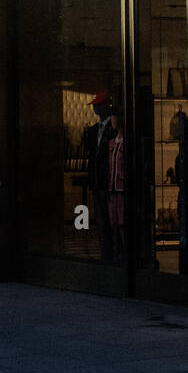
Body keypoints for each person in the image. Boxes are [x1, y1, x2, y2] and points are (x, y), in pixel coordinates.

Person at [82, 93, 116, 262]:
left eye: (99, 105)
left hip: (108, 182)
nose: (96, 108)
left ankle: (112, 255)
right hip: (98, 182)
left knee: (111, 221)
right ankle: (106, 255)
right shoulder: (94, 130)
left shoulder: (114, 128)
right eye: (95, 106)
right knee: (102, 222)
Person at [107, 110, 125, 260]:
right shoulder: (112, 143)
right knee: (114, 221)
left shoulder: (127, 143)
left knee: (122, 222)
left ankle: (125, 251)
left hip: (122, 187)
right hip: (112, 187)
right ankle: (116, 252)